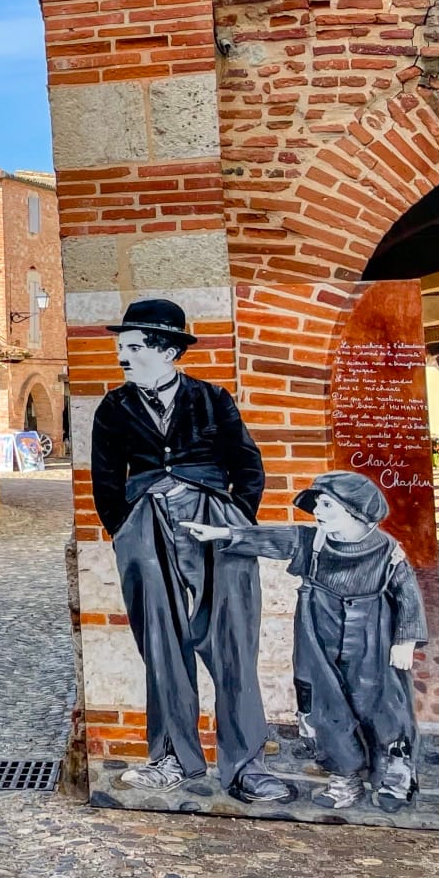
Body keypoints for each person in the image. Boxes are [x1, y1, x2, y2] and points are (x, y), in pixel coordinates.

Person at [90, 299, 294, 804]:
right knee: (159, 641)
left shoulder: (211, 398)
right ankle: (173, 758)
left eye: (133, 348)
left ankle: (246, 766)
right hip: (144, 527)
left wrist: (234, 522)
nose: (124, 358)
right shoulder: (113, 407)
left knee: (231, 639)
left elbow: (248, 465)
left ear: (166, 350)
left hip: (214, 524)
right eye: (121, 349)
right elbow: (105, 480)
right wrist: (126, 528)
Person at [184, 471, 426, 811]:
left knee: (384, 705)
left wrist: (406, 640)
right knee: (325, 711)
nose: (318, 512)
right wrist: (224, 533)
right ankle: (345, 779)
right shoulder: (311, 542)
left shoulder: (388, 552)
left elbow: (407, 596)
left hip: (373, 641)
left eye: (328, 505)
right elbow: (274, 538)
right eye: (318, 505)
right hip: (318, 640)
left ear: (357, 512)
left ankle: (396, 776)